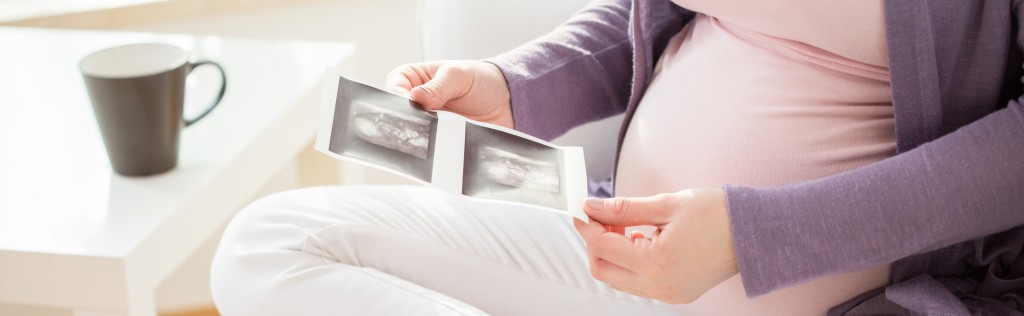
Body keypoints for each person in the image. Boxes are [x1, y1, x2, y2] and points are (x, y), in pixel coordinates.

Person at [209, 0, 1024, 315]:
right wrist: (513, 85)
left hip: (806, 296)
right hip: (606, 245)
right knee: (267, 244)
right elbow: (659, 12)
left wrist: (750, 239)